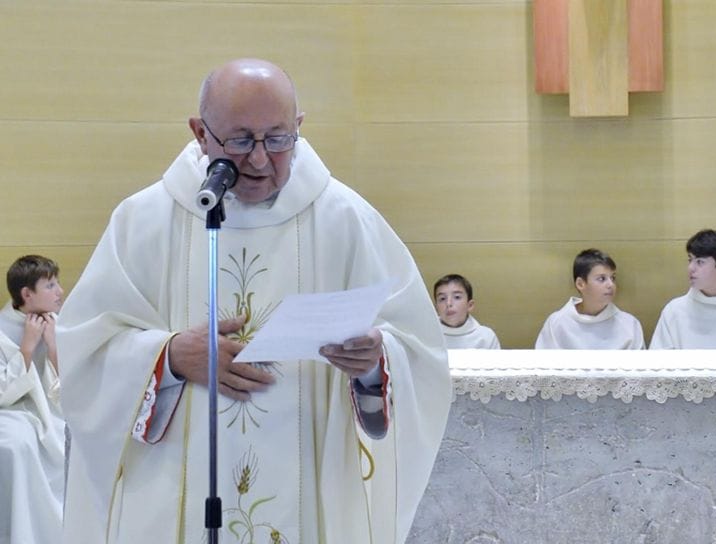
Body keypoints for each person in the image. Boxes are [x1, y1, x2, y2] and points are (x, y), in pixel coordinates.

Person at [57, 59, 451, 544]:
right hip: (173, 496)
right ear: (201, 134)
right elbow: (83, 352)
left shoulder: (345, 219)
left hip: (310, 491)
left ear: (299, 129)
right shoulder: (145, 221)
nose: (261, 159)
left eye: (279, 138)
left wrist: (373, 363)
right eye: (241, 140)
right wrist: (171, 357)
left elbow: (419, 353)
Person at [0, 255, 66, 544]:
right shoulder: (2, 329)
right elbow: (4, 392)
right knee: (18, 446)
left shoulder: (59, 323)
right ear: (26, 294)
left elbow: (71, 384)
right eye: (50, 285)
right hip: (11, 411)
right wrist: (26, 348)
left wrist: (53, 347)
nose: (60, 291)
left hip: (54, 411)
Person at [535, 249, 645, 349]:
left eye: (613, 278)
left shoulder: (629, 324)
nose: (611, 284)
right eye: (602, 279)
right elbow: (542, 366)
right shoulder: (557, 323)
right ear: (580, 284)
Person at [433, 274, 501, 349]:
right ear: (436, 307)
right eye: (442, 299)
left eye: (457, 297)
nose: (448, 303)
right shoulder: (426, 336)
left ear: (470, 305)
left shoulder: (486, 337)